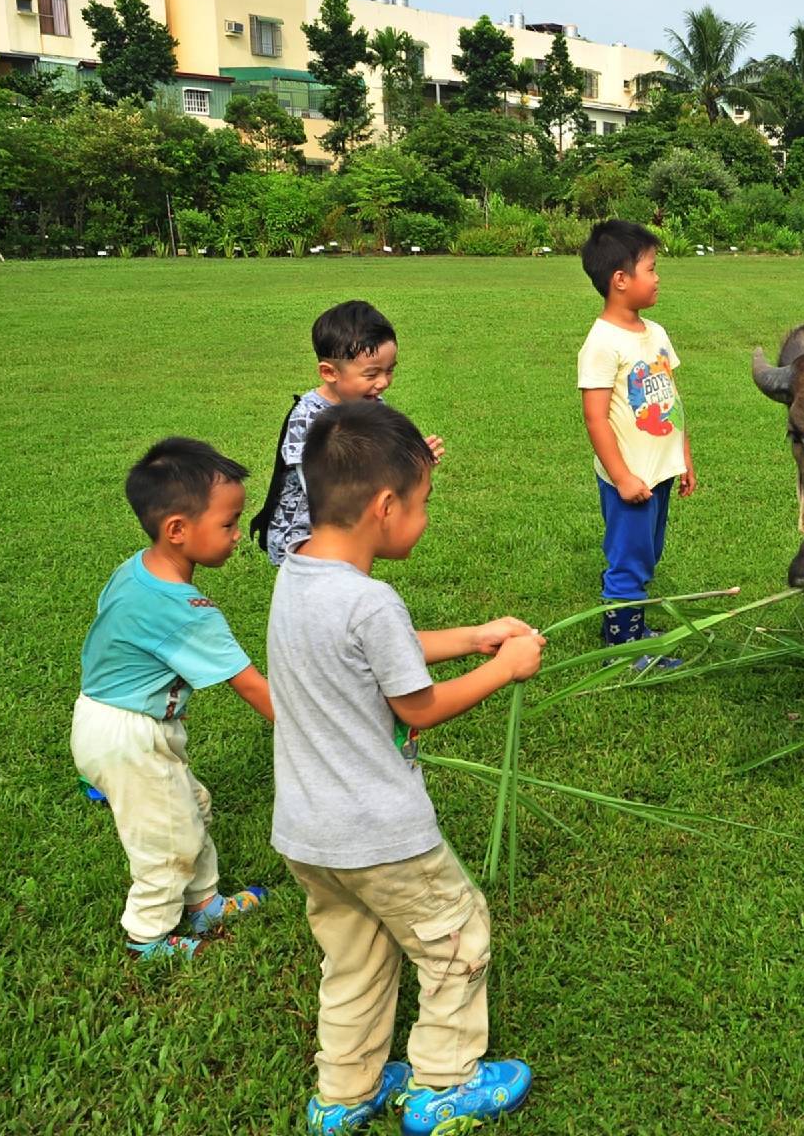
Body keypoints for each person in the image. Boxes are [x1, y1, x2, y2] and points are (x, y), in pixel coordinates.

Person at [267, 401, 544, 1134]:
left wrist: (477, 635)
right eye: (422, 506)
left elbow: (374, 649)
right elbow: (417, 707)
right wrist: (506, 667)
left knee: (354, 958)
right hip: (381, 835)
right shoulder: (371, 600)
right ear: (384, 507)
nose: (424, 519)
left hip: (307, 833)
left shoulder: (296, 578)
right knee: (457, 937)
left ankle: (345, 1091)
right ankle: (444, 1085)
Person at [71, 438, 274, 961]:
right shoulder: (187, 609)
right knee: (166, 841)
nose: (236, 535)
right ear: (178, 530)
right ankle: (148, 937)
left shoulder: (136, 568)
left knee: (190, 807)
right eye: (229, 524)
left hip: (113, 720)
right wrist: (317, 728)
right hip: (127, 734)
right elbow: (252, 687)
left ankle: (204, 901)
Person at [576, 220, 698, 667]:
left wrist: (683, 457)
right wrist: (623, 476)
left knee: (647, 553)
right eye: (651, 267)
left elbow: (671, 399)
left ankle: (633, 628)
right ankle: (622, 647)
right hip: (630, 478)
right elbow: (595, 419)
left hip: (659, 470)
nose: (658, 276)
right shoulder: (602, 344)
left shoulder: (656, 333)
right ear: (620, 280)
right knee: (628, 559)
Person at [253, 300, 444, 565]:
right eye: (372, 374)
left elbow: (381, 456)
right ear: (329, 372)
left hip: (346, 526)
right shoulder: (308, 417)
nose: (383, 382)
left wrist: (412, 461)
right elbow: (322, 486)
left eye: (390, 370)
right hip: (303, 535)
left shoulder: (372, 405)